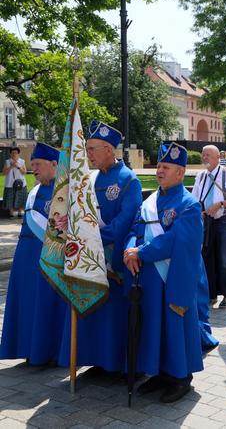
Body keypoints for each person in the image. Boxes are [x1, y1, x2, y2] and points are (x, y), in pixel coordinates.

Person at [58, 121, 143, 375]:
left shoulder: (129, 180)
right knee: (92, 309)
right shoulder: (90, 179)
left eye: (93, 149)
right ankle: (96, 359)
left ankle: (115, 364)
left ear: (109, 149)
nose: (89, 154)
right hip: (89, 256)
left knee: (113, 313)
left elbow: (123, 223)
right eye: (88, 149)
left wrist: (89, 238)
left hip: (113, 260)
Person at [123, 142, 205, 403]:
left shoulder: (189, 205)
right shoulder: (151, 201)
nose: (159, 171)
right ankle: (159, 372)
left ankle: (181, 378)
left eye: (166, 167)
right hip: (149, 277)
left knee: (173, 325)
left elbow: (176, 241)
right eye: (158, 166)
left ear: (180, 173)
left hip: (172, 277)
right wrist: (129, 250)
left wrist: (141, 252)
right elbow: (135, 228)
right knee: (154, 325)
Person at [0, 143, 67, 365]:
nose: (33, 169)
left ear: (54, 164)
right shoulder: (34, 191)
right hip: (24, 256)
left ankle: (48, 352)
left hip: (48, 256)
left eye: (38, 164)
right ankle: (29, 349)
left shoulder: (64, 192)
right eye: (33, 164)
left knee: (46, 302)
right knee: (27, 302)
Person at [192, 145, 226, 308]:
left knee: (224, 258)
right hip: (207, 220)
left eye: (208, 155)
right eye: (203, 155)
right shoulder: (200, 176)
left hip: (224, 219)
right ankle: (210, 294)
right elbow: (195, 199)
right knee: (207, 257)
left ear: (217, 157)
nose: (205, 158)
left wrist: (219, 204)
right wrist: (198, 211)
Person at [3, 146, 28, 217]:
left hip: (20, 183)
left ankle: (20, 211)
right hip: (10, 183)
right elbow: (4, 173)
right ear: (10, 154)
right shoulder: (7, 162)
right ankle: (12, 212)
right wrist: (11, 166)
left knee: (21, 197)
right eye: (12, 153)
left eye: (16, 153)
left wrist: (18, 166)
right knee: (10, 198)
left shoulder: (22, 161)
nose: (14, 154)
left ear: (18, 154)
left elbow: (24, 172)